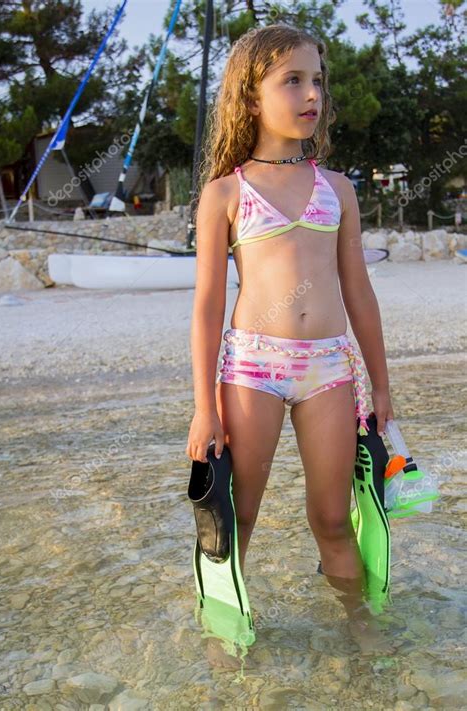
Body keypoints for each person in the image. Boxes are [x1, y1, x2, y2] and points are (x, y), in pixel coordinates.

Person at [186, 24, 394, 650]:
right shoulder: (226, 193)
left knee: (333, 518)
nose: (312, 96)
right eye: (293, 81)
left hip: (330, 369)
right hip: (251, 367)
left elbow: (359, 292)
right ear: (251, 96)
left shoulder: (338, 190)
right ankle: (227, 640)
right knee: (237, 518)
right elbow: (206, 306)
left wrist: (381, 388)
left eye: (318, 82)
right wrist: (204, 408)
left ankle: (361, 629)